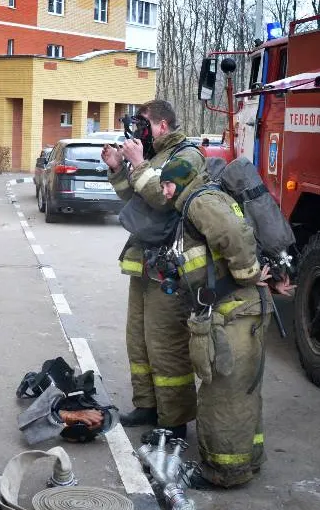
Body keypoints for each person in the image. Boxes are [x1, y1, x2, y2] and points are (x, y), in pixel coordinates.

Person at [156, 158, 292, 488]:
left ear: (180, 181)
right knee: (244, 390)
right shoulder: (204, 197)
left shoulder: (199, 200)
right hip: (241, 310)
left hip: (234, 312)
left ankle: (223, 471)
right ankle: (249, 459)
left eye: (166, 184)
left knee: (223, 393)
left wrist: (247, 275)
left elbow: (232, 233)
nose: (163, 191)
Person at [101, 100, 204, 438]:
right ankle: (147, 405)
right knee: (139, 340)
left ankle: (173, 422)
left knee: (165, 343)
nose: (137, 130)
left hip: (171, 266)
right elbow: (134, 199)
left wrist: (138, 163)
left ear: (162, 125)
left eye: (144, 123)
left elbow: (163, 199)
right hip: (145, 263)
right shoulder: (154, 157)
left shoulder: (187, 157)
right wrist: (118, 168)